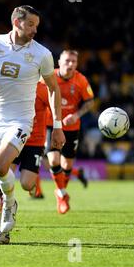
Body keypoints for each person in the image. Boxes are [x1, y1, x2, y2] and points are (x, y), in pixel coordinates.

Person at [0, 5, 65, 245]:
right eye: (31, 24)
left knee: (0, 166)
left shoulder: (42, 54)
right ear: (17, 22)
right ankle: (1, 233)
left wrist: (57, 125)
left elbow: (54, 88)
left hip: (21, 119)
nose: (35, 30)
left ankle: (10, 203)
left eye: (37, 25)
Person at [45, 50, 94, 214]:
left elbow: (89, 101)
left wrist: (77, 114)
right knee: (53, 160)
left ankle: (60, 192)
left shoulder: (80, 80)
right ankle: (62, 194)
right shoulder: (49, 76)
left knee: (66, 165)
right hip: (51, 125)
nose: (70, 64)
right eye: (67, 61)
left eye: (74, 61)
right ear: (59, 62)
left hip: (72, 127)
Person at [11, 79, 50, 199]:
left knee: (26, 184)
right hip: (15, 137)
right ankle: (4, 206)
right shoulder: (14, 87)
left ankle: (33, 184)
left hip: (35, 142)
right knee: (5, 174)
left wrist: (57, 129)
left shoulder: (43, 89)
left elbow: (55, 108)